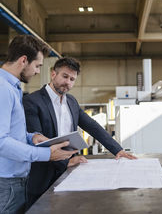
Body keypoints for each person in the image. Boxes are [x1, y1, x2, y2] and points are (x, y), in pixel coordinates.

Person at [0, 35, 78, 214]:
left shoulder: (11, 88)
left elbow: (10, 134)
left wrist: (32, 137)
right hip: (1, 189)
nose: (38, 71)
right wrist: (46, 154)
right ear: (23, 60)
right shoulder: (0, 89)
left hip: (11, 185)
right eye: (37, 65)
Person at [23, 57, 136, 208]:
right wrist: (66, 162)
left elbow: (92, 126)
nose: (68, 82)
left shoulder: (71, 102)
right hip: (43, 178)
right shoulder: (32, 101)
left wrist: (117, 149)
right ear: (53, 74)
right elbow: (38, 143)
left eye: (72, 79)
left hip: (69, 172)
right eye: (65, 76)